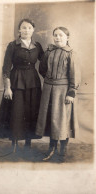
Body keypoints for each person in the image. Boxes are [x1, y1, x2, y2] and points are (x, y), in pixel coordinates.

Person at [0, 18, 44, 152]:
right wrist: (7, 87)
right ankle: (14, 144)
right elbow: (6, 68)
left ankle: (28, 144)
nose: (26, 30)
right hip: (16, 81)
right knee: (16, 112)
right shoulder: (12, 45)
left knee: (31, 111)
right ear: (19, 30)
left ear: (33, 30)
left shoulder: (37, 46)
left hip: (33, 82)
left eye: (29, 28)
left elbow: (44, 64)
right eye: (24, 27)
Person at [36, 27, 81, 162]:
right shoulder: (49, 52)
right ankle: (51, 148)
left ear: (67, 37)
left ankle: (63, 150)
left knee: (62, 120)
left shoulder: (71, 53)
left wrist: (71, 92)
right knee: (51, 119)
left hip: (63, 92)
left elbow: (75, 75)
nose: (57, 38)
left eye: (61, 35)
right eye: (55, 35)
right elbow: (42, 69)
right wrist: (51, 81)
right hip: (48, 90)